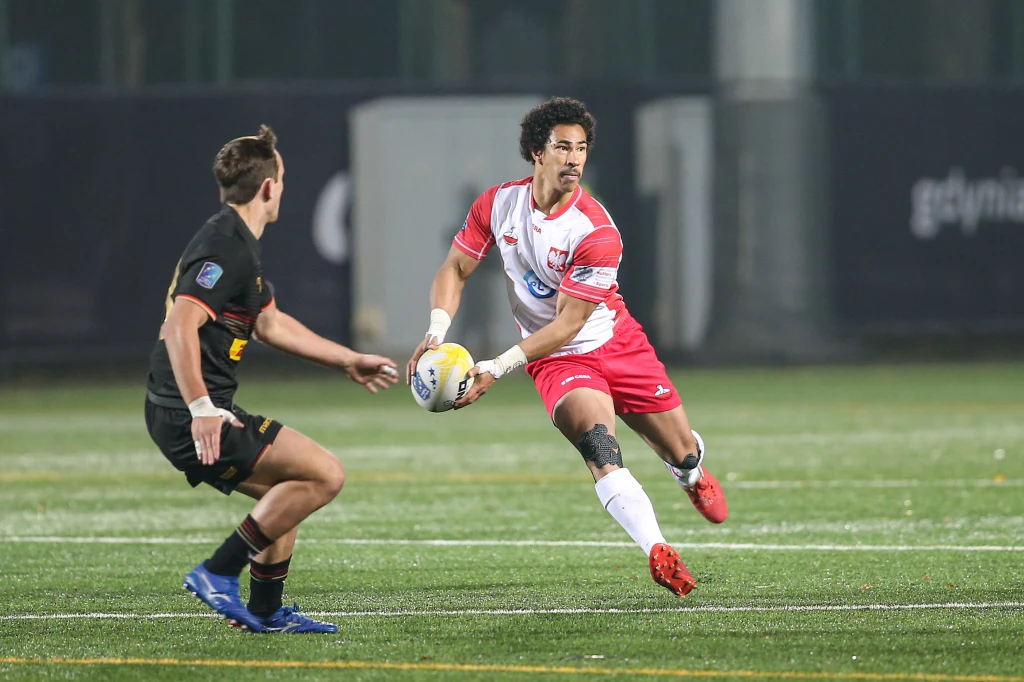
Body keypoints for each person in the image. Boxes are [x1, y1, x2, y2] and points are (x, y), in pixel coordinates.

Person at [406, 98, 727, 597]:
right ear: (537, 152)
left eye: (581, 149)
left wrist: (496, 366)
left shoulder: (597, 232)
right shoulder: (497, 205)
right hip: (556, 360)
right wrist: (436, 330)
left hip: (614, 343)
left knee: (681, 450)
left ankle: (690, 472)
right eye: (563, 147)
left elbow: (569, 322)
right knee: (600, 447)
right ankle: (657, 549)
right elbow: (455, 268)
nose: (574, 159)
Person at [145, 125, 399, 632]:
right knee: (324, 474)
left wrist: (347, 359)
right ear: (268, 187)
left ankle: (265, 612)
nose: (282, 188)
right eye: (282, 179)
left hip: (192, 408)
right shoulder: (226, 247)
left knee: (287, 491)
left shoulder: (237, 242)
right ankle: (217, 572)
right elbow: (180, 324)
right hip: (190, 413)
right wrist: (200, 408)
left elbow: (271, 324)